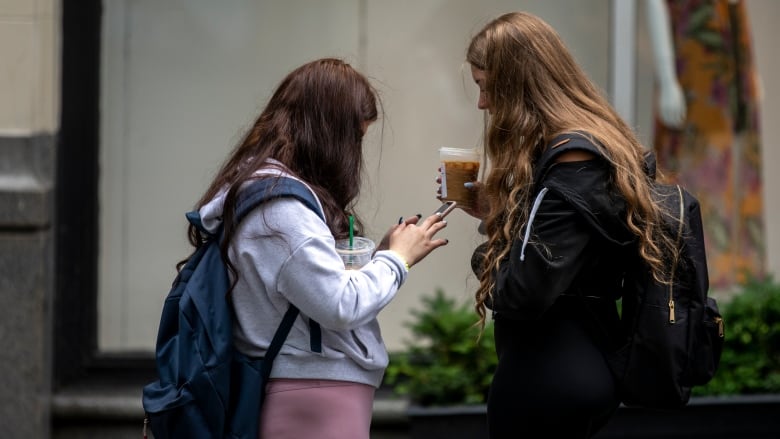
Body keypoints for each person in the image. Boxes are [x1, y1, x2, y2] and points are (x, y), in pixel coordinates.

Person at [187, 58, 449, 439]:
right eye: (356, 138)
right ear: (330, 134)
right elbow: (340, 305)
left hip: (307, 389)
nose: (356, 153)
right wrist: (397, 259)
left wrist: (377, 257)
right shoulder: (283, 210)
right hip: (313, 390)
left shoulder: (267, 192)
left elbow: (309, 287)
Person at [457, 12, 680, 438]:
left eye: (485, 87)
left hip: (549, 375)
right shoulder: (589, 147)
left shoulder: (573, 160)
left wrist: (487, 252)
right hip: (573, 363)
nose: (482, 104)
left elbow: (523, 291)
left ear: (516, 82)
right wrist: (496, 213)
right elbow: (564, 255)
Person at [646, 0, 765, 290]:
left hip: (733, 63)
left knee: (736, 167)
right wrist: (667, 77)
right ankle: (687, 284)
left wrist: (749, 72)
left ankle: (738, 280)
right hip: (695, 62)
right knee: (692, 168)